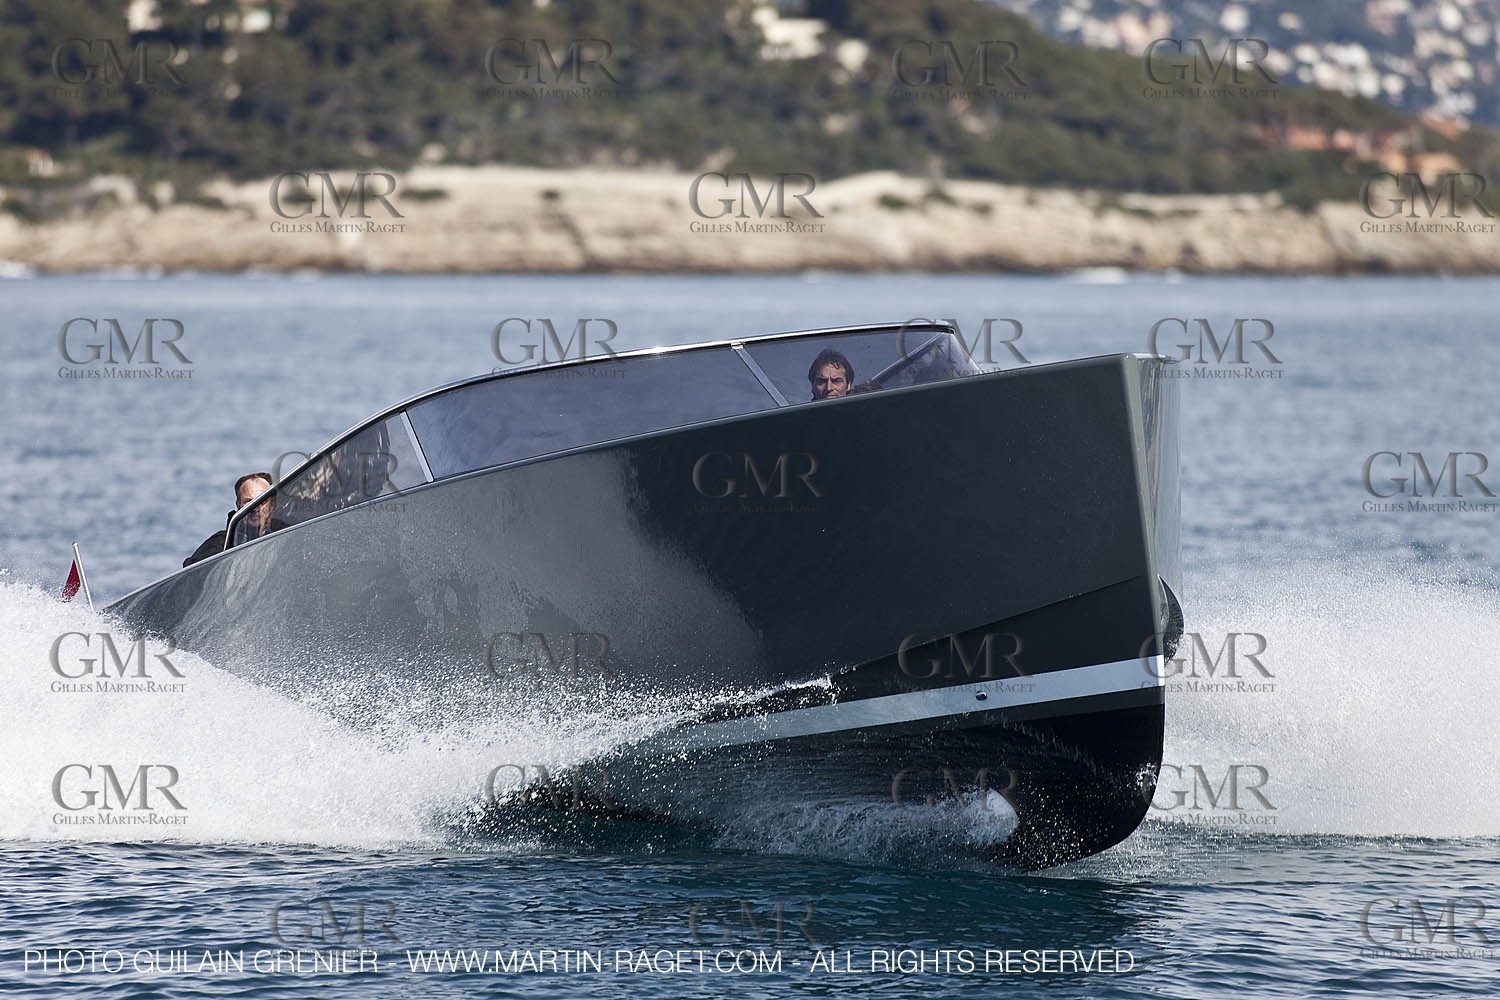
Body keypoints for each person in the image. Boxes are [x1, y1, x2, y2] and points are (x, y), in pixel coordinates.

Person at [183, 472, 278, 567]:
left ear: (272, 505)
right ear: (238, 505)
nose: (255, 508)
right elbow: (190, 573)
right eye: (249, 502)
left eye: (262, 501)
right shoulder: (222, 543)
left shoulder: (287, 534)